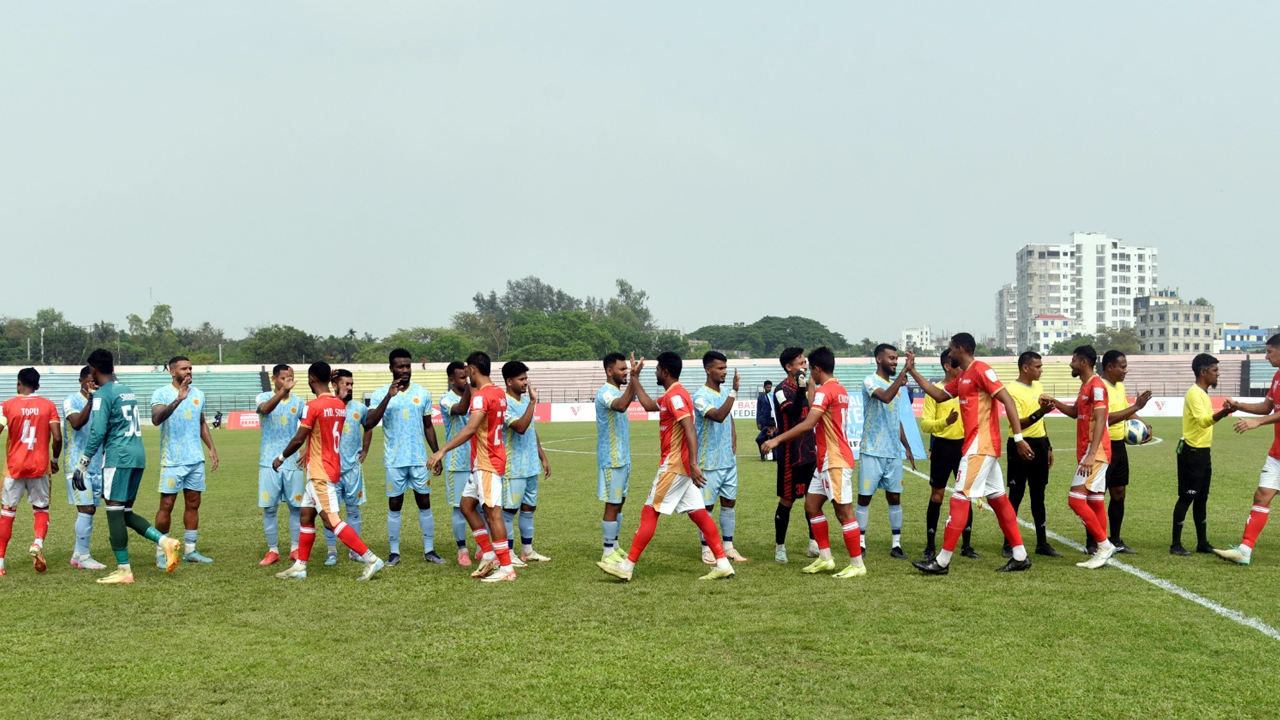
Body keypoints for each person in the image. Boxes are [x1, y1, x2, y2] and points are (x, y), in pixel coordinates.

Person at [596, 352, 736, 582]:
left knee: (649, 511)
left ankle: (627, 566)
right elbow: (650, 405)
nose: (656, 372)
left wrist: (692, 463)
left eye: (658, 368)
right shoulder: (672, 394)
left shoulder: (676, 396)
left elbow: (690, 428)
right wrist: (635, 378)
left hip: (674, 466)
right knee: (700, 514)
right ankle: (722, 563)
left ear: (665, 372)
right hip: (681, 468)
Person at [905, 333, 1035, 575]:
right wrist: (912, 371)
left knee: (960, 497)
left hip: (980, 445)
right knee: (997, 497)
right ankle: (1020, 555)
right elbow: (940, 394)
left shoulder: (981, 370)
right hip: (979, 445)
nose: (949, 352)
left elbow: (1007, 400)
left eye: (951, 348)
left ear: (961, 349)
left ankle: (942, 562)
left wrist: (1018, 438)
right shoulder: (964, 376)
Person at [71, 349, 182, 584]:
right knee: (125, 512)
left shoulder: (103, 394)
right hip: (137, 455)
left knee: (113, 512)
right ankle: (165, 542)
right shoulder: (126, 390)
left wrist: (83, 462)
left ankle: (124, 570)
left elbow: (98, 431)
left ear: (93, 370)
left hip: (117, 458)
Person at [271, 362, 386, 581]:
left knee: (332, 520)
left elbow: (299, 439)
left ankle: (371, 558)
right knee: (306, 516)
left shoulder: (313, 406)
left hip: (319, 471)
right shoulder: (339, 405)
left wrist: (281, 458)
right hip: (330, 466)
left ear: (312, 378)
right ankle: (300, 566)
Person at [762, 347, 867, 579]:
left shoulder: (824, 392)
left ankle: (857, 564)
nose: (808, 370)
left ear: (817, 369)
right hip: (825, 460)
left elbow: (808, 423)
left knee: (844, 512)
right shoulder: (839, 389)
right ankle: (825, 558)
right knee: (811, 506)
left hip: (835, 459)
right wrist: (809, 384)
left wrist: (777, 439)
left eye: (810, 368)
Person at [428, 351, 517, 583]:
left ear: (473, 370)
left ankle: (506, 567)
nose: (467, 376)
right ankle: (488, 554)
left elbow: (469, 429)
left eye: (467, 371)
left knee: (492, 513)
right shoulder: (499, 392)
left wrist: (442, 450)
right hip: (485, 461)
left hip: (487, 462)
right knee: (467, 506)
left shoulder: (481, 396)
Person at [363, 348, 442, 565]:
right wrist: (389, 396)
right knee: (395, 504)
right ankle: (394, 552)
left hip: (419, 459)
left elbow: (428, 427)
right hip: (395, 460)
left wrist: (436, 453)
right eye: (400, 366)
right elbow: (369, 422)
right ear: (391, 368)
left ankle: (430, 550)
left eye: (408, 366)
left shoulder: (423, 393)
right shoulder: (380, 394)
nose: (405, 370)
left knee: (424, 502)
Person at [1042, 346, 1118, 569]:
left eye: (1073, 361)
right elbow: (1076, 413)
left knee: (1075, 500)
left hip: (1095, 452)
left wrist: (1092, 454)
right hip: (1091, 452)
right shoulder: (1085, 386)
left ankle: (1104, 545)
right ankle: (1100, 551)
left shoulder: (1096, 386)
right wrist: (1054, 402)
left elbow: (1102, 417)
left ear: (1084, 362)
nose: (1070, 364)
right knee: (1095, 502)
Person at [1215, 334, 1280, 565]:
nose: (1266, 356)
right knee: (1262, 496)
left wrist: (1257, 423)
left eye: (1270, 351)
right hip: (1277, 454)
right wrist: (1239, 405)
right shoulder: (1277, 376)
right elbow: (1266, 407)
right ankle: (1245, 550)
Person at [150, 356, 219, 565]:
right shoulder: (161, 393)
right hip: (172, 460)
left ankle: (191, 550)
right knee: (167, 505)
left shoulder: (199, 394)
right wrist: (178, 399)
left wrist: (212, 447)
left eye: (190, 368)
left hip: (195, 460)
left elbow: (201, 422)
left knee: (193, 504)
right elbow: (156, 419)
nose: (188, 371)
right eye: (184, 368)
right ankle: (162, 553)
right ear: (173, 372)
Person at [0, 368, 61, 576]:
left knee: (7, 513)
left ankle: (0, 563)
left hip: (14, 467)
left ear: (18, 384)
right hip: (40, 466)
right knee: (41, 509)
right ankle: (37, 543)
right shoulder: (48, 406)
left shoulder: (6, 406)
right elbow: (58, 437)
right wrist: (54, 460)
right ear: (38, 385)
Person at [1170, 353, 1232, 556]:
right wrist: (1223, 413)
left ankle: (1202, 542)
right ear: (1203, 372)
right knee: (1187, 497)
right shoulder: (1194, 394)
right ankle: (1175, 545)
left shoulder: (1203, 393)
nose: (1218, 374)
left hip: (1203, 453)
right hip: (1192, 452)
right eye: (1214, 370)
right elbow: (1204, 421)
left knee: (1202, 498)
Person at [918, 350, 977, 560]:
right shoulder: (936, 392)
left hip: (964, 448)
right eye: (958, 366)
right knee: (937, 496)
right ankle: (930, 545)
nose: (962, 369)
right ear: (947, 366)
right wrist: (945, 422)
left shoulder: (967, 388)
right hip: (943, 447)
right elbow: (925, 424)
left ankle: (967, 546)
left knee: (965, 496)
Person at [857, 344, 914, 559]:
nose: (895, 361)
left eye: (897, 359)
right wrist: (904, 373)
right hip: (872, 450)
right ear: (879, 359)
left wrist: (906, 446)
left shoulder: (895, 388)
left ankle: (896, 544)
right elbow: (885, 397)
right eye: (891, 358)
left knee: (894, 498)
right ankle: (861, 543)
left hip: (892, 453)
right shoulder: (870, 380)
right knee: (865, 498)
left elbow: (895, 418)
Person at [692, 352, 748, 564]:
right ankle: (707, 549)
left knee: (729, 503)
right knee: (706, 507)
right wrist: (734, 391)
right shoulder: (699, 396)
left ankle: (728, 547)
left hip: (728, 461)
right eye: (720, 368)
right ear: (708, 370)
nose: (724, 372)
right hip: (708, 463)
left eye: (725, 368)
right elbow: (717, 416)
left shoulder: (725, 391)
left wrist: (734, 436)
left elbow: (729, 416)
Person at [1003, 351, 1060, 558]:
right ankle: (1008, 543)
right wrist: (1040, 412)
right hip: (1019, 444)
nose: (1041, 370)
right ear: (1025, 368)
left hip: (1039, 445)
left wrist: (1048, 445)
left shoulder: (1039, 387)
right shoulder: (1011, 389)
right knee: (1015, 495)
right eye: (1038, 366)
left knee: (1039, 495)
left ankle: (1042, 543)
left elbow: (1041, 422)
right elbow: (1016, 422)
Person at [1098, 350, 1152, 554]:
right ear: (1110, 367)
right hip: (1103, 446)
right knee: (1097, 495)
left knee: (1119, 493)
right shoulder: (1100, 387)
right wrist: (1136, 406)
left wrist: (1143, 424)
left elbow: (1126, 410)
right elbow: (1107, 418)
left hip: (1119, 446)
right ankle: (1093, 541)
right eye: (1122, 366)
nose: (1125, 370)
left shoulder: (1119, 386)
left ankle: (1116, 539)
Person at [772, 347, 819, 564]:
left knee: (813, 501)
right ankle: (780, 547)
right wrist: (802, 389)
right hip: (790, 455)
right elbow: (791, 413)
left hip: (809, 451)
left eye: (805, 362)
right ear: (788, 367)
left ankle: (813, 544)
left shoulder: (809, 386)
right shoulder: (781, 390)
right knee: (787, 500)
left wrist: (808, 388)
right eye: (799, 364)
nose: (804, 366)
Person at [501, 361, 551, 563]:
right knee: (509, 510)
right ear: (509, 381)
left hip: (530, 465)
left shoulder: (524, 402)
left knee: (529, 508)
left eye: (526, 378)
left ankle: (527, 551)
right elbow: (520, 427)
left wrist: (542, 456)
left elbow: (531, 430)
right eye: (521, 379)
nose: (525, 383)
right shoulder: (504, 403)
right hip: (513, 467)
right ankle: (509, 553)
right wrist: (532, 402)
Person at [256, 364, 306, 565]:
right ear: (274, 378)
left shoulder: (300, 402)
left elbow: (310, 427)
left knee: (296, 507)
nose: (289, 381)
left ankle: (295, 548)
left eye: (291, 377)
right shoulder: (263, 397)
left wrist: (307, 448)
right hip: (268, 461)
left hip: (293, 462)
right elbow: (265, 410)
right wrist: (283, 391)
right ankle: (273, 550)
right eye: (285, 378)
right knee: (270, 508)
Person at [321, 369, 371, 565]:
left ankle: (354, 550)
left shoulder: (359, 408)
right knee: (331, 512)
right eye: (346, 384)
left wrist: (365, 449)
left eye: (351, 384)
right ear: (334, 385)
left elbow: (368, 427)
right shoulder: (327, 407)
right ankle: (331, 551)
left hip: (352, 469)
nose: (350, 387)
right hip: (329, 468)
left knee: (353, 510)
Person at [595, 353, 639, 562]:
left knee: (620, 502)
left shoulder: (615, 391)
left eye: (627, 369)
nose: (626, 373)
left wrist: (633, 380)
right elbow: (620, 405)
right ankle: (607, 552)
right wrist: (635, 379)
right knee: (612, 504)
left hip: (623, 458)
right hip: (611, 459)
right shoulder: (605, 392)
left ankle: (615, 545)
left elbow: (625, 402)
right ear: (609, 371)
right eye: (622, 369)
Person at [63, 366, 107, 570]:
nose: (93, 385)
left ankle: (77, 553)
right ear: (81, 380)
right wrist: (90, 400)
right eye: (90, 381)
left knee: (91, 509)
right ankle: (83, 557)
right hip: (77, 465)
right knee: (86, 508)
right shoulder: (71, 400)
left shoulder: (102, 402)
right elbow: (77, 423)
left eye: (96, 382)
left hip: (98, 464)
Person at [439, 362, 475, 565]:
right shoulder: (446, 399)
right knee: (460, 508)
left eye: (467, 376)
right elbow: (461, 409)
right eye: (463, 377)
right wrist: (472, 384)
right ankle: (462, 549)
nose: (466, 380)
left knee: (482, 507)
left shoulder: (477, 397)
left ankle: (482, 547)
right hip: (457, 462)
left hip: (478, 459)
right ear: (452, 380)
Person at [755, 380, 776, 461]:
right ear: (764, 387)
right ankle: (763, 455)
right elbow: (758, 410)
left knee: (773, 436)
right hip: (764, 421)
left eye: (770, 387)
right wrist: (758, 422)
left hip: (772, 420)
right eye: (767, 387)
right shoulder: (761, 397)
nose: (769, 389)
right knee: (763, 437)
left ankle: (775, 456)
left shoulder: (773, 396)